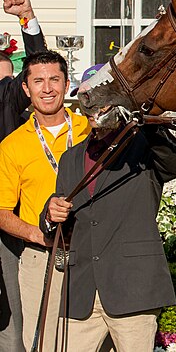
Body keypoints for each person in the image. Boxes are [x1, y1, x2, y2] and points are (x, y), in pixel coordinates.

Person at [40, 102, 176, 351]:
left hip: (132, 288)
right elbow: (62, 219)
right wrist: (50, 214)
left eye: (104, 102)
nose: (95, 108)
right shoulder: (70, 158)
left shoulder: (144, 146)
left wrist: (147, 121)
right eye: (89, 102)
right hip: (81, 291)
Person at [0, 51, 91, 351]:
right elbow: (1, 211)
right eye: (38, 81)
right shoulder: (12, 144)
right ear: (26, 89)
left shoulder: (90, 130)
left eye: (54, 79)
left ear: (67, 85)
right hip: (41, 257)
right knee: (43, 344)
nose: (47, 88)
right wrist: (36, 235)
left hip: (94, 253)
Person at [0, 0, 47, 352]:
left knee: (13, 330)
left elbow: (38, 69)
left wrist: (27, 19)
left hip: (4, 228)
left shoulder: (7, 96)